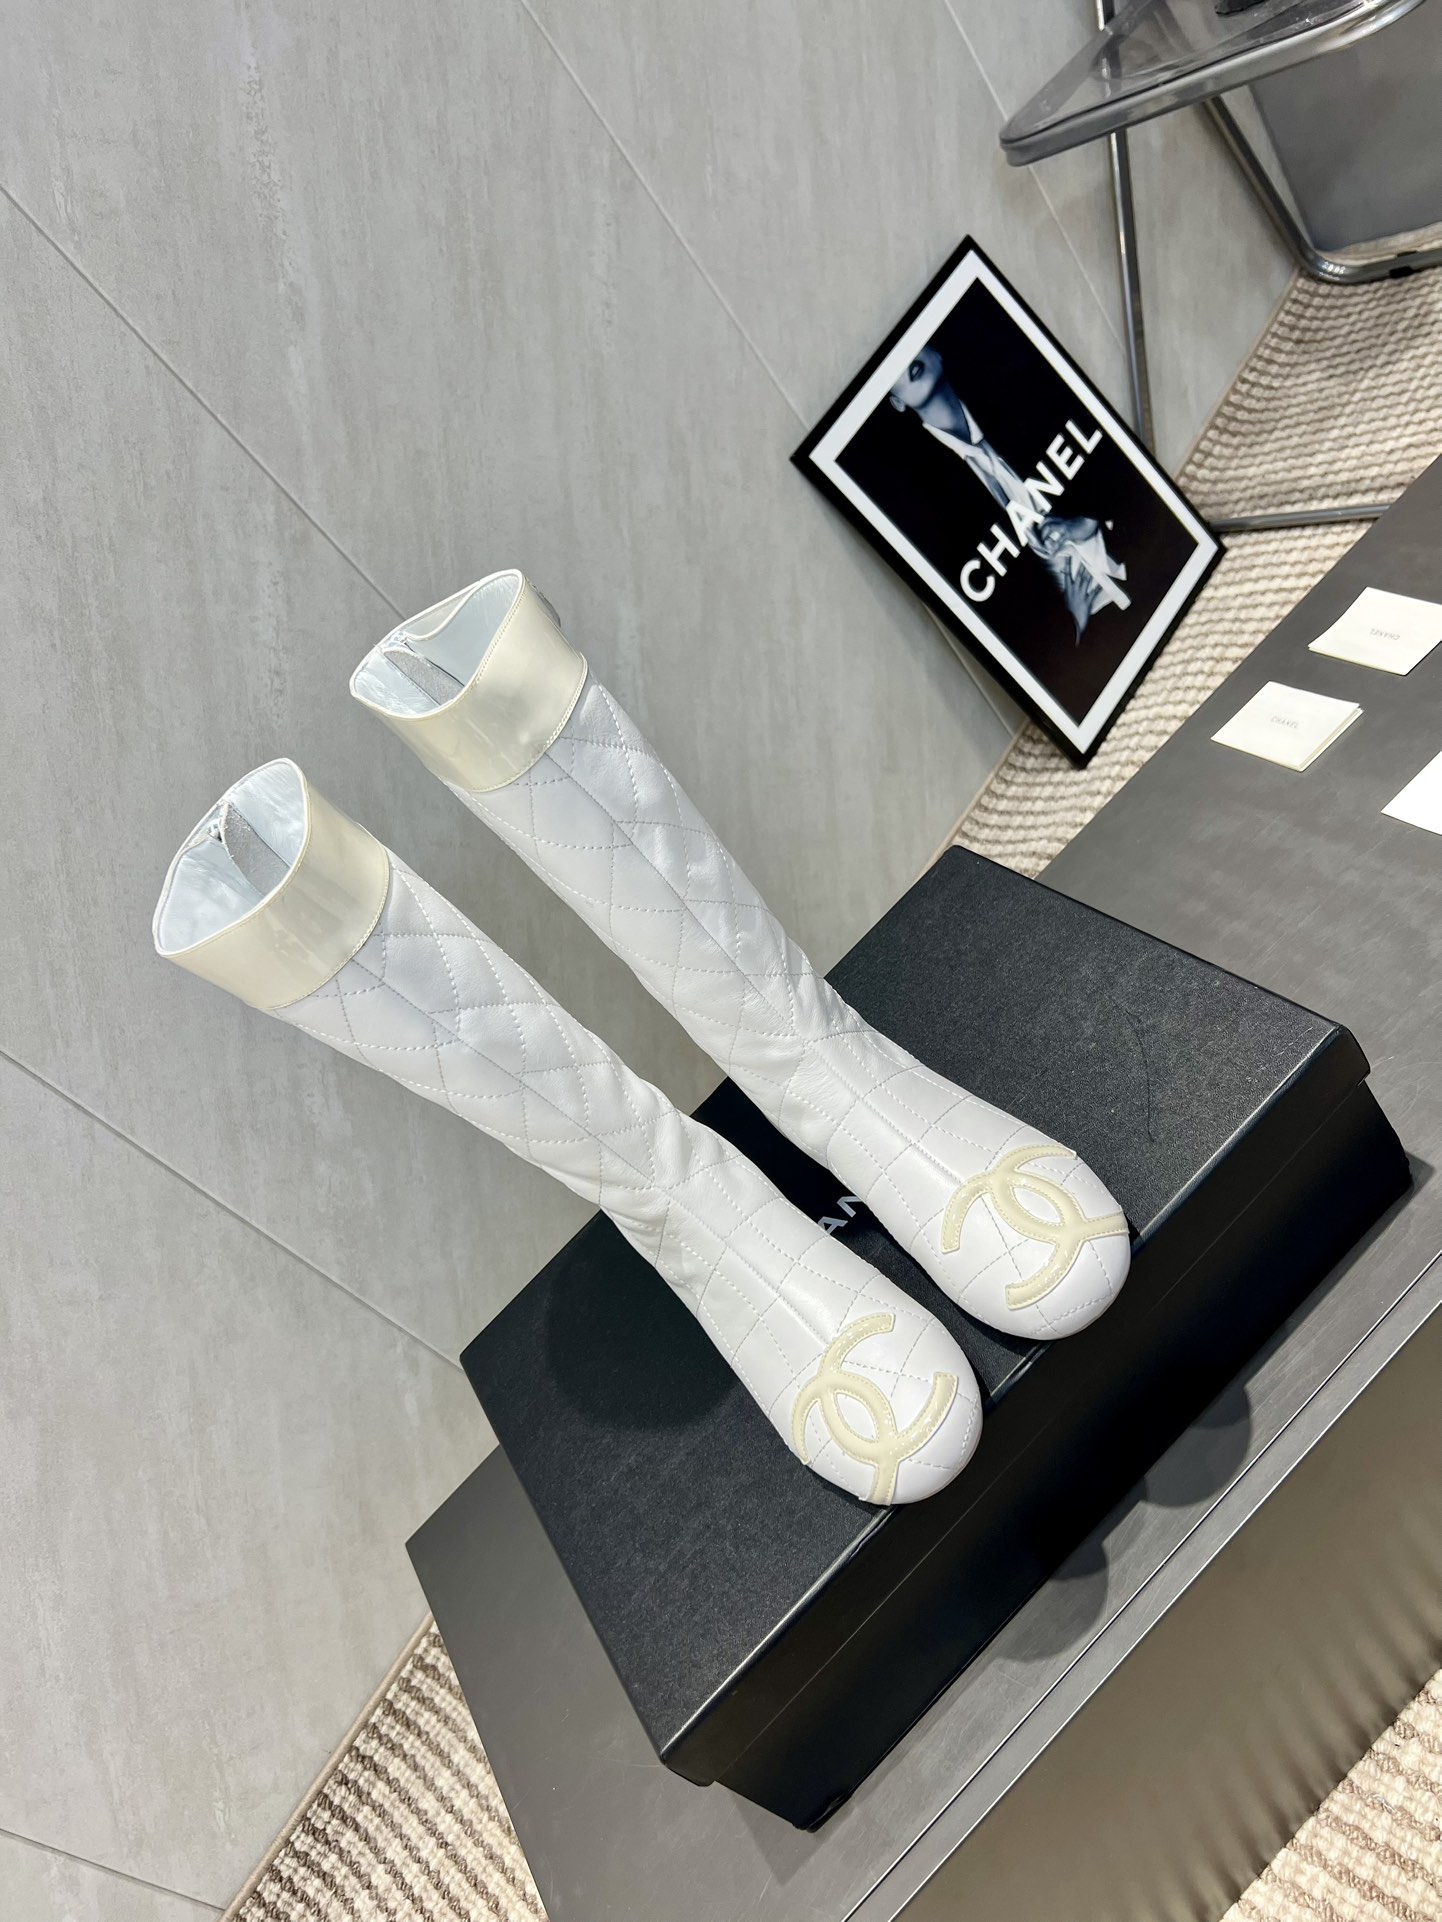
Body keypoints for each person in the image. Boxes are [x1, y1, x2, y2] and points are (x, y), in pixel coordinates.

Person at [888, 345, 1129, 634]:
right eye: (892, 367)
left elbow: (1103, 447)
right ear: (896, 402)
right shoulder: (931, 500)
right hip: (1088, 637)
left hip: (1136, 553)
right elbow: (998, 613)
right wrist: (1073, 625)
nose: (905, 359)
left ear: (937, 353)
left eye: (912, 346)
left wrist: (1088, 520)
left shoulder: (1016, 396)